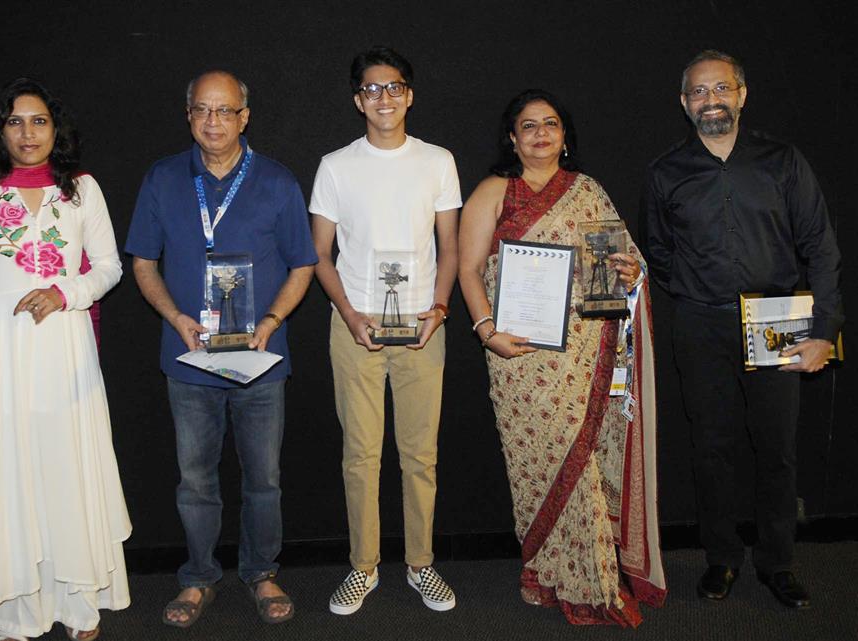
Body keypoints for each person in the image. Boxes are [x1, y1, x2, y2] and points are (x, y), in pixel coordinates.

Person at [0, 78, 130, 641]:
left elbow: (109, 267)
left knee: (65, 471)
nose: (28, 132)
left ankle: (77, 604)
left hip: (63, 354)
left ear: (55, 128)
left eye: (38, 121)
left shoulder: (81, 190)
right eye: (15, 122)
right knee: (2, 477)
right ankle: (12, 614)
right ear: (0, 131)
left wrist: (66, 292)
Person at [641, 50, 843, 609]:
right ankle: (723, 559)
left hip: (776, 321)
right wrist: (695, 288)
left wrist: (824, 329)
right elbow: (658, 250)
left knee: (777, 451)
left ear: (742, 94)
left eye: (721, 89)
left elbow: (820, 247)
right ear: (685, 104)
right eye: (700, 93)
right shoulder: (665, 172)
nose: (712, 100)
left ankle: (777, 563)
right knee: (712, 450)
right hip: (699, 324)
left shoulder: (783, 161)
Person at [458, 89, 666, 626]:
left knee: (584, 465)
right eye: (528, 126)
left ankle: (591, 576)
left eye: (550, 124)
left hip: (583, 355)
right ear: (512, 137)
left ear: (565, 135)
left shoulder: (588, 191)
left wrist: (628, 273)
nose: (540, 134)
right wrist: (486, 330)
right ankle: (541, 569)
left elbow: (625, 262)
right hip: (518, 356)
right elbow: (467, 269)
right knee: (534, 465)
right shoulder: (492, 191)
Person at [125, 70, 316, 626]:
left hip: (260, 362)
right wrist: (175, 316)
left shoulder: (278, 182)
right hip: (188, 362)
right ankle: (199, 577)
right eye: (203, 110)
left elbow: (304, 264)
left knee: (264, 480)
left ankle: (261, 572)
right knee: (195, 480)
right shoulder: (162, 179)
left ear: (244, 117)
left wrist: (274, 319)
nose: (214, 121)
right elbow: (142, 262)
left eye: (225, 110)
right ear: (189, 116)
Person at [310, 46, 460, 615]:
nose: (385, 98)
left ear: (410, 95)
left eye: (394, 87)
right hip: (356, 329)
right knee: (360, 455)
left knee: (420, 455)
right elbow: (320, 255)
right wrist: (350, 314)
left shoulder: (438, 161)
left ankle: (421, 564)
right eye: (373, 89)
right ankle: (363, 567)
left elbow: (450, 248)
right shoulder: (335, 166)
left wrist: (440, 308)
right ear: (358, 100)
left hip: (423, 327)